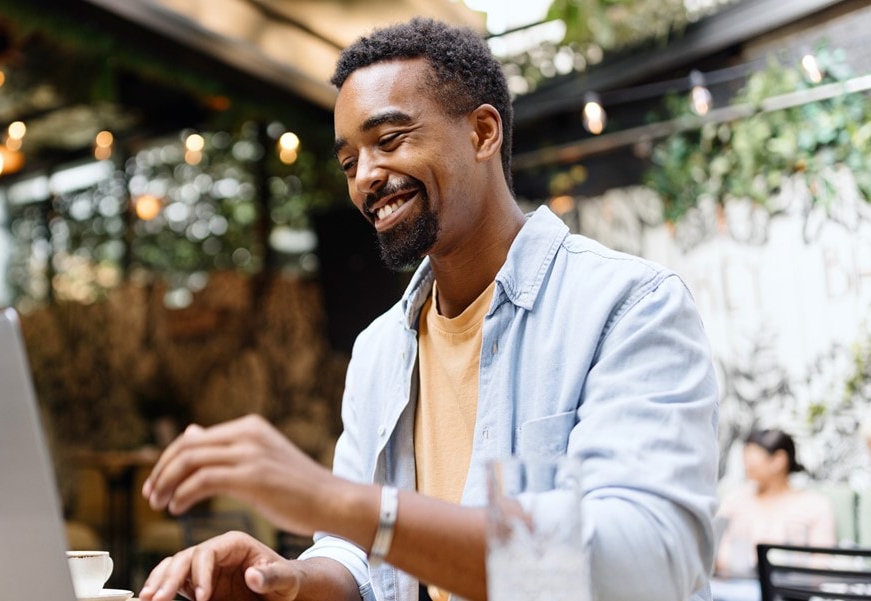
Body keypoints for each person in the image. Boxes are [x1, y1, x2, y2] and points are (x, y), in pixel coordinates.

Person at [139, 17, 718, 601]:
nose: (365, 177)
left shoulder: (627, 308)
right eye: (348, 162)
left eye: (389, 140)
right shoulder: (378, 350)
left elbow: (646, 564)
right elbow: (357, 555)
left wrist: (333, 499)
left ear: (483, 132)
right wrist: (291, 582)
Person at [714, 429, 835, 578]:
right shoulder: (734, 499)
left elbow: (821, 562)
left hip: (790, 592)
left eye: (752, 458)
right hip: (735, 587)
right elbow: (716, 552)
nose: (746, 465)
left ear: (779, 460)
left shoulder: (815, 505)